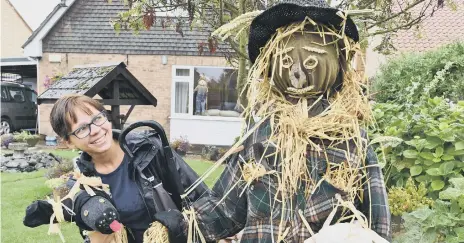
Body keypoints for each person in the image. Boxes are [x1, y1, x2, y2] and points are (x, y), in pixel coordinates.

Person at [151, 0, 391, 242]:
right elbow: (225, 209)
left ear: (333, 62)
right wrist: (180, 227)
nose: (297, 75)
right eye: (286, 62)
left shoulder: (352, 142)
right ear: (272, 64)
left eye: (310, 61)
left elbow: (378, 226)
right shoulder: (259, 136)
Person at [23, 94, 209, 243]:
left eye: (97, 118)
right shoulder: (82, 182)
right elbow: (94, 235)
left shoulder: (149, 149)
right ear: (68, 141)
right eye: (81, 129)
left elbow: (201, 195)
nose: (95, 130)